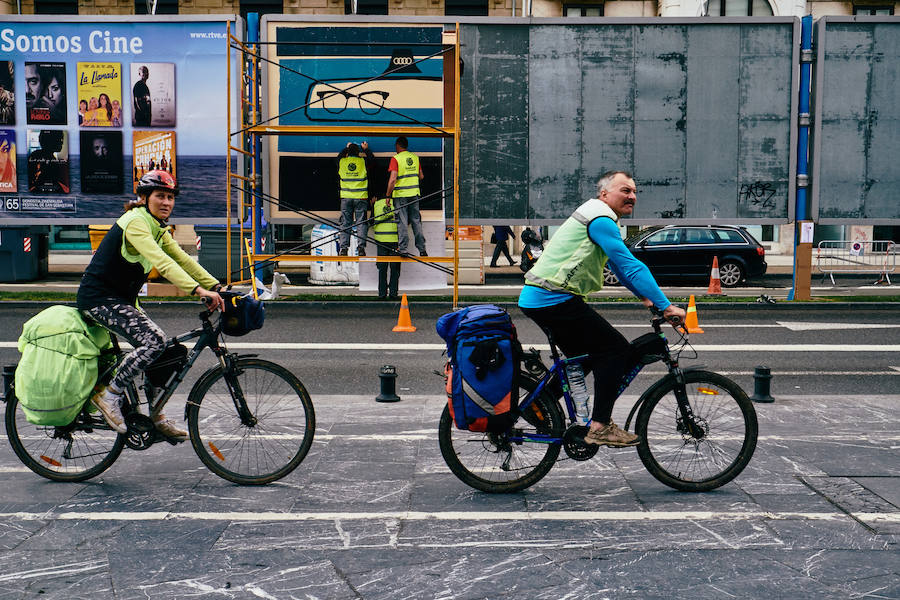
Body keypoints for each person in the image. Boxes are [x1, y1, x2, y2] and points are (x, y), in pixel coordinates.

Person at [518, 170, 686, 447]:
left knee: (584, 357)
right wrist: (666, 306)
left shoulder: (597, 216)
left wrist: (646, 299)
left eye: (634, 192)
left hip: (544, 298)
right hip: (552, 298)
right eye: (625, 190)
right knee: (614, 351)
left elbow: (619, 268)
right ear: (604, 193)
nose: (632, 196)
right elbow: (630, 265)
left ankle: (537, 407)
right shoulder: (601, 219)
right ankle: (600, 427)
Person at [76, 170, 224, 440]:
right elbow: (163, 263)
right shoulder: (135, 222)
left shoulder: (158, 227)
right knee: (154, 341)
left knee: (165, 352)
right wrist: (197, 290)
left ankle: (156, 416)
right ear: (144, 198)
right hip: (99, 299)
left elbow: (182, 259)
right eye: (160, 196)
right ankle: (109, 396)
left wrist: (216, 286)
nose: (166, 202)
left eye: (170, 197)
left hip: (121, 300)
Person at [385, 136, 427, 256]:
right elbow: (421, 176)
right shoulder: (415, 158)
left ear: (398, 146)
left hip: (401, 195)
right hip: (414, 194)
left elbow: (392, 179)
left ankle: (403, 249)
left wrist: (388, 195)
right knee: (416, 221)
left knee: (402, 222)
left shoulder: (396, 159)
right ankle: (422, 249)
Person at [336, 141, 375, 256]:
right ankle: (361, 248)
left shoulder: (342, 161)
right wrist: (366, 149)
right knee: (361, 223)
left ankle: (343, 249)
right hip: (361, 198)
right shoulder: (363, 161)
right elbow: (372, 160)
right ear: (359, 153)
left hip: (346, 198)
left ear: (348, 153)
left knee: (345, 223)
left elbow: (338, 157)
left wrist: (345, 148)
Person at [371, 197, 401, 300]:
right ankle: (393, 293)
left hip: (381, 240)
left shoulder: (376, 204)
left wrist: (372, 205)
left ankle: (382, 294)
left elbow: (371, 222)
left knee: (382, 269)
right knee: (395, 268)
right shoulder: (398, 203)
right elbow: (405, 222)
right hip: (395, 241)